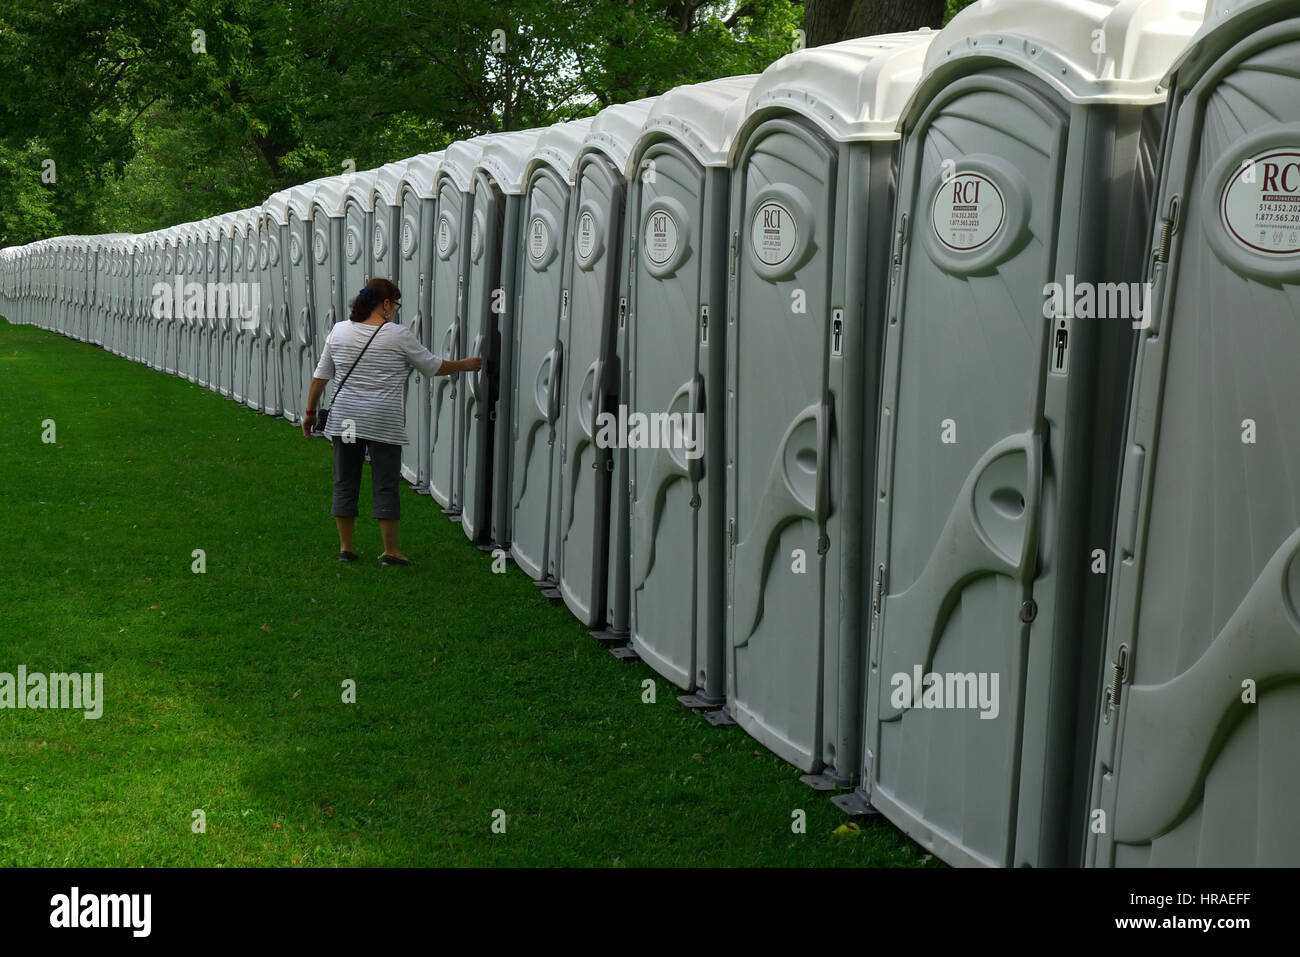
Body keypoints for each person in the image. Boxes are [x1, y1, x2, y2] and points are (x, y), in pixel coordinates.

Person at [301, 278, 480, 566]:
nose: (395, 310)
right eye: (395, 304)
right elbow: (432, 366)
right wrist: (466, 365)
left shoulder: (339, 331)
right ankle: (391, 552)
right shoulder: (398, 335)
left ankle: (346, 548)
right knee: (385, 482)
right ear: (385, 304)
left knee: (345, 480)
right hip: (383, 421)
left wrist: (310, 414)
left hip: (346, 419)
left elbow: (321, 376)